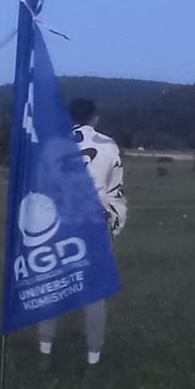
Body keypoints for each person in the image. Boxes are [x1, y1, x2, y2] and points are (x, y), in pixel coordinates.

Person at [39, 99, 125, 368]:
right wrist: (114, 227)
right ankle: (93, 359)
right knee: (94, 292)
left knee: (53, 288)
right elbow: (115, 191)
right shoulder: (108, 145)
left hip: (60, 224)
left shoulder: (52, 146)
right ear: (95, 118)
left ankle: (44, 351)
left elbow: (43, 188)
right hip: (93, 224)